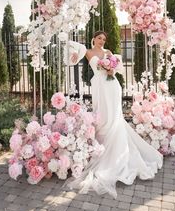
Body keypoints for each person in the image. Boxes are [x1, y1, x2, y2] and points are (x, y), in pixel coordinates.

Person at [64, 30, 163, 198]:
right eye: (99, 38)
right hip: (99, 87)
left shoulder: (108, 53)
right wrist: (74, 56)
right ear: (93, 39)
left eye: (104, 38)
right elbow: (73, 53)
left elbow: (117, 68)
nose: (102, 41)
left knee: (114, 117)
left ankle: (116, 151)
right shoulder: (88, 52)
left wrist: (112, 70)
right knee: (102, 116)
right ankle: (101, 147)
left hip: (112, 86)